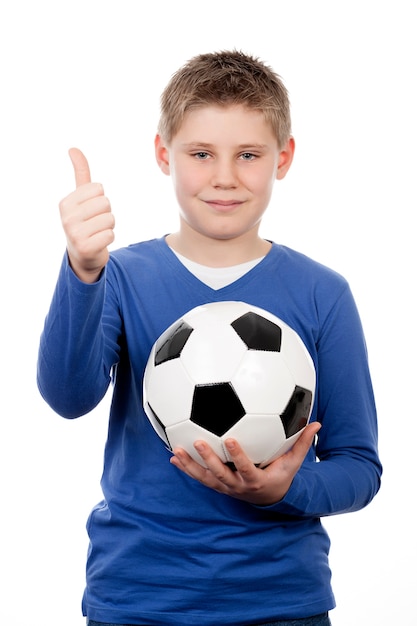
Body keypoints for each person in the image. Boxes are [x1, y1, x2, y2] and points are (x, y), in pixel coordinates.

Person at [37, 50, 382, 626]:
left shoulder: (323, 293)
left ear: (284, 157)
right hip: (137, 598)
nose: (225, 176)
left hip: (279, 602)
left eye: (248, 155)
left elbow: (359, 467)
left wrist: (283, 489)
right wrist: (83, 269)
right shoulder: (119, 277)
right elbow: (67, 398)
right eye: (202, 154)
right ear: (163, 154)